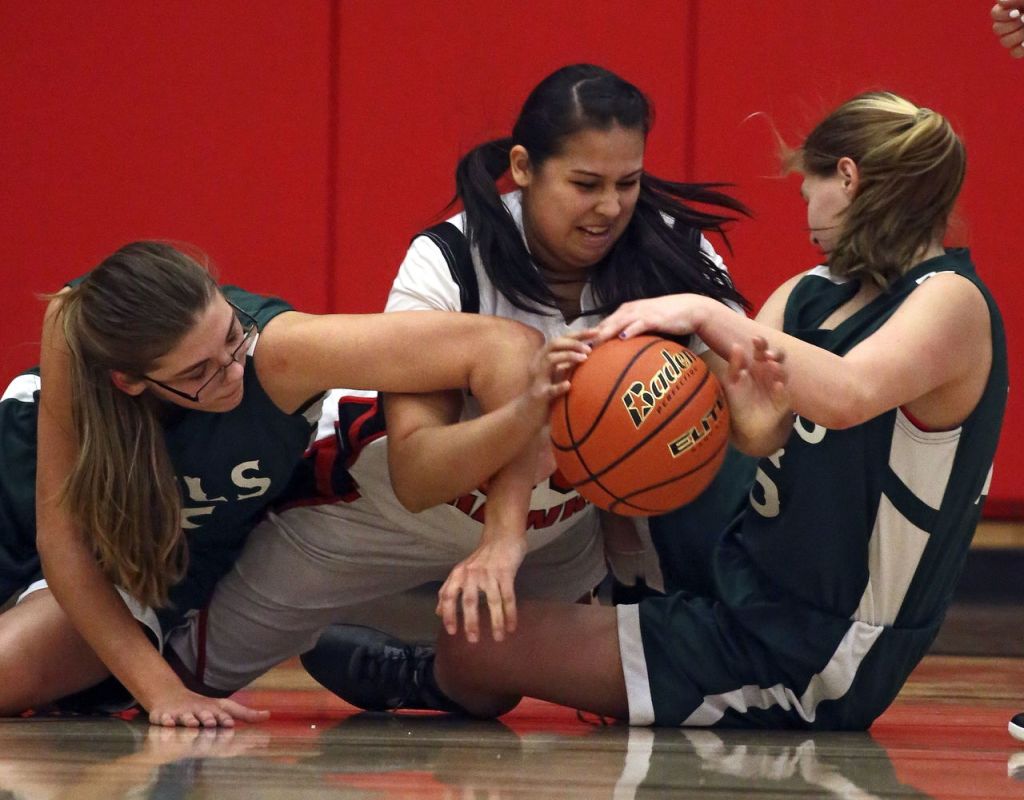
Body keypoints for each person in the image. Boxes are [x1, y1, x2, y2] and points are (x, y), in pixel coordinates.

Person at [313, 90, 1008, 731]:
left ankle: (434, 678)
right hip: (744, 573)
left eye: (809, 183)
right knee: (635, 402)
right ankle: (622, 603)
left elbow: (851, 395)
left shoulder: (950, 301)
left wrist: (702, 312)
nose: (805, 205)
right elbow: (756, 432)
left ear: (847, 179)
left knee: (472, 648)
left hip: (821, 648)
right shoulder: (809, 293)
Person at [163, 63, 759, 700]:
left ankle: (413, 676)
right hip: (379, 509)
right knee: (193, 677)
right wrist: (533, 416)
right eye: (585, 184)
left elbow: (750, 418)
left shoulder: (674, 254)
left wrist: (719, 344)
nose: (610, 207)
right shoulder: (449, 262)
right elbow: (417, 476)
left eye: (628, 182)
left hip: (559, 525)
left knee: (490, 682)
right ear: (525, 167)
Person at [0, 240, 573, 727]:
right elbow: (62, 540)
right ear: (128, 381)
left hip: (125, 569)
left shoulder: (276, 354)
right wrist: (162, 694)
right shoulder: (80, 329)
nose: (230, 372)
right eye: (197, 373)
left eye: (230, 337)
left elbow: (506, 344)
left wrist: (503, 536)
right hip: (23, 503)